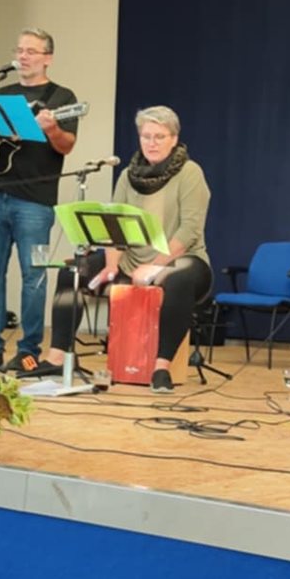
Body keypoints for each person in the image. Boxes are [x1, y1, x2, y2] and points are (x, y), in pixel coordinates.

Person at [41, 106, 211, 394]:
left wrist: (156, 266)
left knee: (178, 280)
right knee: (73, 272)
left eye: (159, 136)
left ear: (174, 139)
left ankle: (161, 367)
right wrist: (111, 265)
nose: (151, 143)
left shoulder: (190, 172)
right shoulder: (128, 175)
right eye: (146, 136)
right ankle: (57, 356)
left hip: (181, 260)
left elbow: (189, 230)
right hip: (132, 261)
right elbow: (114, 226)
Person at [0, 28, 79, 370]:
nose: (23, 56)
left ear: (48, 58)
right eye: (19, 50)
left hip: (35, 201)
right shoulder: (0, 94)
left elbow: (67, 145)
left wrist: (52, 129)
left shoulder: (61, 97)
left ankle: (28, 351)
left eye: (31, 51)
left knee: (34, 277)